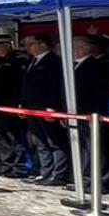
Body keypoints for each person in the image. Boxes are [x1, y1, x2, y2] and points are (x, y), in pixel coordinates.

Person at [19, 33, 71, 185]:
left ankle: (59, 174)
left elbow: (56, 86)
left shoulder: (54, 62)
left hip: (46, 108)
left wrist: (53, 106)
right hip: (32, 107)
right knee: (41, 141)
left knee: (55, 141)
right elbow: (27, 85)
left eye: (31, 44)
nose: (27, 48)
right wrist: (23, 103)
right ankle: (45, 172)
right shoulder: (33, 61)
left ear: (42, 44)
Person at [72, 34, 109, 184]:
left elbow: (99, 92)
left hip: (91, 113)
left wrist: (96, 112)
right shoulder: (74, 66)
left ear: (83, 48)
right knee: (83, 147)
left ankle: (99, 179)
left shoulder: (96, 66)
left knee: (95, 148)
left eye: (74, 47)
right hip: (77, 113)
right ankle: (86, 177)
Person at [0, 36, 29, 177]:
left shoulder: (17, 60)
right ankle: (6, 164)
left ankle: (19, 166)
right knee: (1, 136)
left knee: (14, 136)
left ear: (6, 46)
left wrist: (20, 102)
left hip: (11, 104)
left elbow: (21, 85)